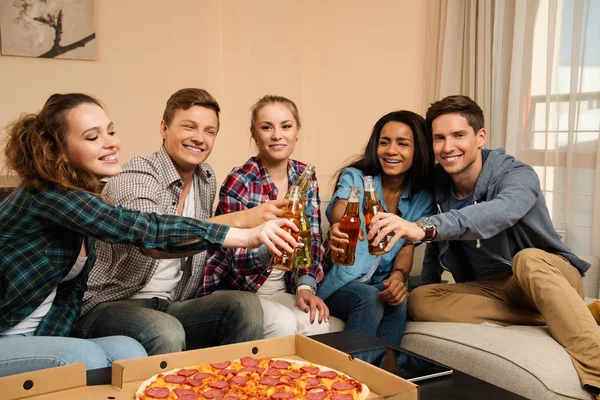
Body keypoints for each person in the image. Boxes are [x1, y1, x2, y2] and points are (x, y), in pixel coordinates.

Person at [0, 93, 297, 377]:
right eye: (92, 137)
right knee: (86, 358)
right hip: (13, 330)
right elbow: (144, 229)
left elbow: (65, 301)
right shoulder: (49, 195)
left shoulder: (85, 194)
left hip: (44, 331)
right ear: (58, 149)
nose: (111, 144)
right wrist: (244, 232)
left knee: (128, 349)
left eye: (111, 132)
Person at [367, 95, 599, 397]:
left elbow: (495, 213)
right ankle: (563, 311)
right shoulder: (439, 182)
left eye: (458, 135)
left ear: (480, 137)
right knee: (421, 299)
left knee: (526, 260)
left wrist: (422, 228)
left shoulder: (517, 175)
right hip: (494, 288)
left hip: (547, 274)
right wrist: (428, 283)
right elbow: (438, 245)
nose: (447, 147)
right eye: (439, 138)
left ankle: (597, 372)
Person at [76, 89, 295, 355]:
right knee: (164, 329)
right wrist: (241, 220)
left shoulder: (206, 178)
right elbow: (153, 241)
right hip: (111, 303)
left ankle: (231, 389)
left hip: (173, 302)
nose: (199, 138)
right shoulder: (137, 173)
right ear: (164, 128)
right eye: (189, 127)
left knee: (244, 305)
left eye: (209, 131)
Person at [203, 95, 330, 337]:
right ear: (254, 134)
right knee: (281, 324)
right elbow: (234, 260)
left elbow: (312, 239)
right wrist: (270, 249)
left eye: (286, 126)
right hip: (240, 289)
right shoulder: (239, 180)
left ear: (297, 131)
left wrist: (305, 286)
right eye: (266, 127)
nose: (277, 135)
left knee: (318, 323)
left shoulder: (305, 176)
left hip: (282, 288)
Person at [318, 110, 434, 358]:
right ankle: (348, 377)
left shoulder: (422, 197)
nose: (391, 150)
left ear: (419, 150)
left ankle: (386, 377)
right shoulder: (357, 177)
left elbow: (407, 245)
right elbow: (340, 205)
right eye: (384, 142)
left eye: (403, 143)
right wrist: (341, 224)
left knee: (397, 300)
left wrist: (399, 278)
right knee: (371, 296)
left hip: (378, 281)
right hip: (341, 284)